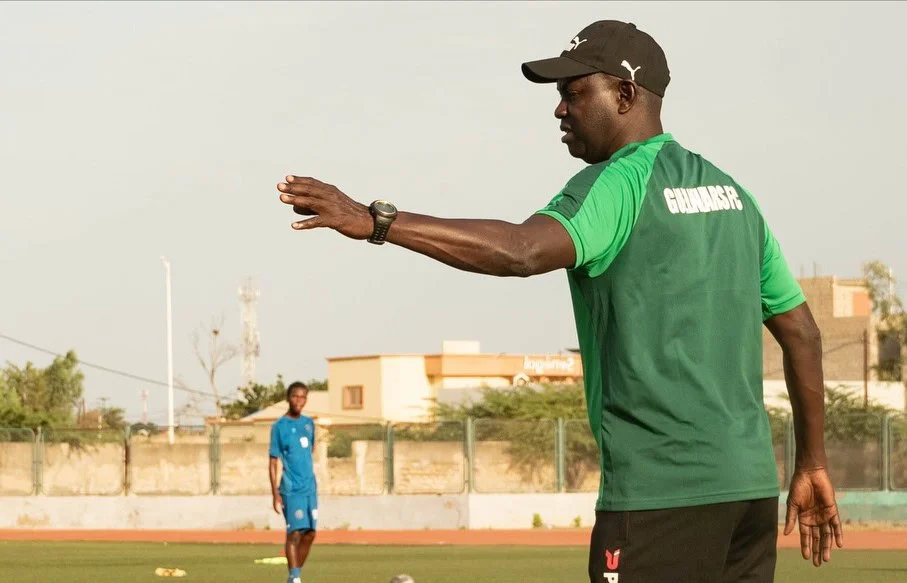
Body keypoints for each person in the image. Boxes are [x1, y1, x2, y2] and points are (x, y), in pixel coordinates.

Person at [275, 19, 844, 582]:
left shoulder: (616, 183)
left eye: (574, 92)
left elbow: (522, 251)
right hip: (748, 496)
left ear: (625, 95)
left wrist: (377, 221)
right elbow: (803, 334)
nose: (559, 109)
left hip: (659, 497)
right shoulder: (736, 198)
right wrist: (813, 462)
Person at [269, 381, 318, 583]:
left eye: (303, 397)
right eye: (295, 396)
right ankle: (295, 578)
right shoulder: (279, 427)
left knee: (310, 534)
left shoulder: (309, 424)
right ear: (288, 398)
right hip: (291, 488)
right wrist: (275, 493)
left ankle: (294, 576)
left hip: (309, 488)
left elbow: (309, 451)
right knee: (295, 533)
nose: (299, 400)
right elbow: (273, 461)